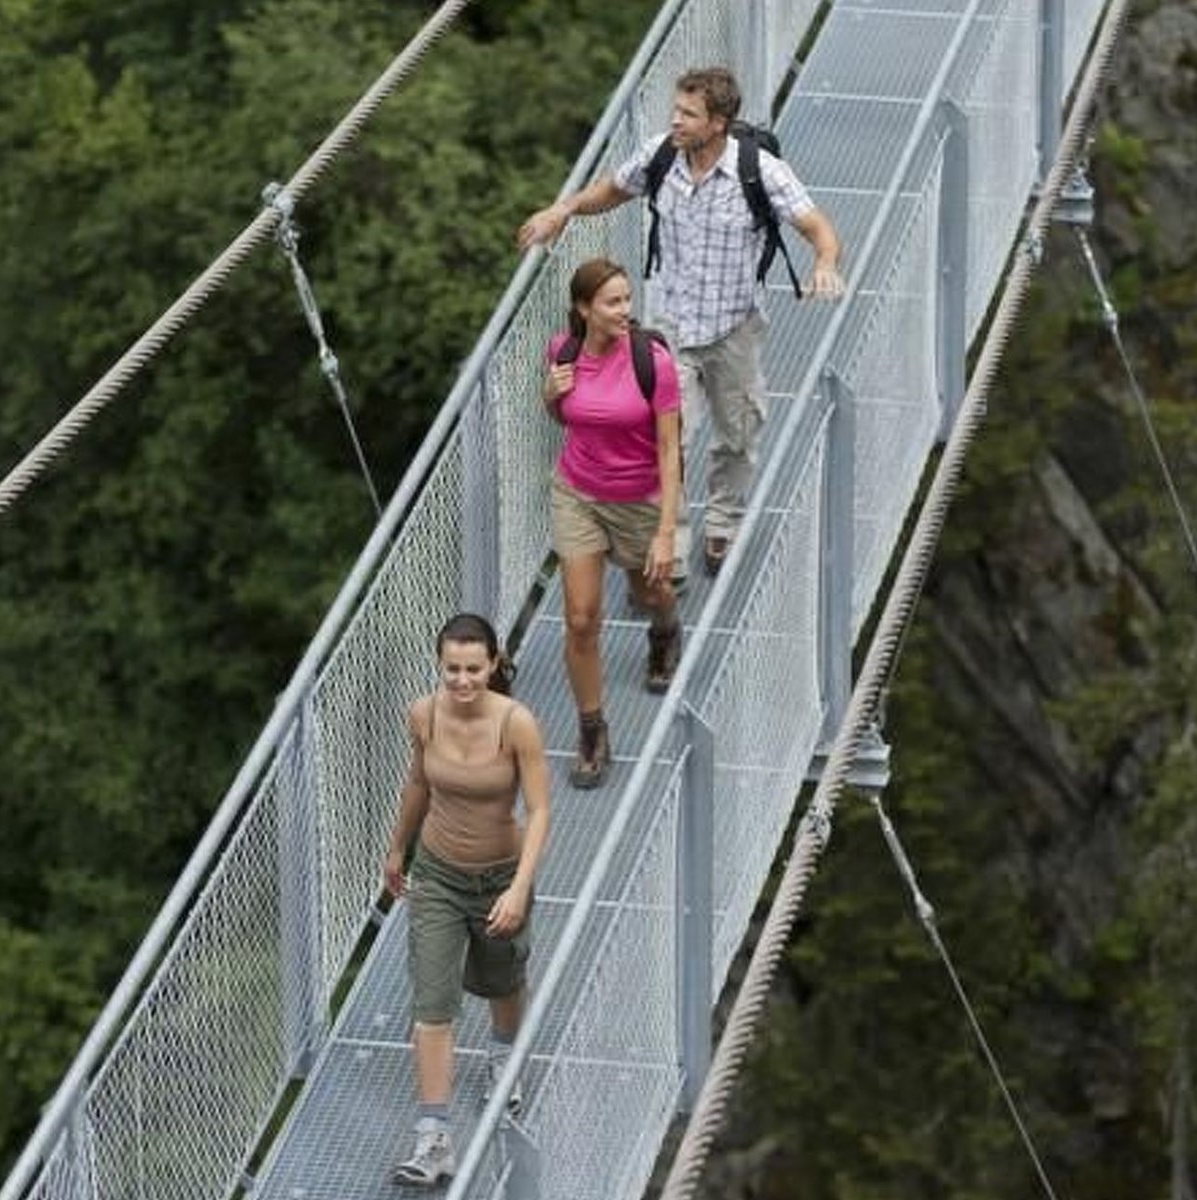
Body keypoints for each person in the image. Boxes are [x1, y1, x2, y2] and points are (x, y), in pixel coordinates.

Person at [518, 66, 846, 581]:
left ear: (718, 123)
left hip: (734, 327)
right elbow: (612, 190)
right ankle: (672, 543)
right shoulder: (661, 155)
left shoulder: (760, 171)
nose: (675, 121)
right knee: (668, 439)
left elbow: (817, 226)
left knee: (738, 433)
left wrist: (825, 265)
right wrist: (564, 210)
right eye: (676, 110)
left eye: (688, 115)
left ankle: (723, 521)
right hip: (670, 329)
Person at [383, 613, 552, 1187]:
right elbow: (418, 782)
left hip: (500, 876)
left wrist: (519, 887)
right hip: (437, 876)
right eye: (451, 668)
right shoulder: (423, 714)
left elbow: (540, 810)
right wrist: (397, 848)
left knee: (502, 979)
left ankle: (505, 1059)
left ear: (492, 664)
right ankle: (434, 1139)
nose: (461, 680)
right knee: (432, 1002)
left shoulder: (515, 724)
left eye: (473, 669)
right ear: (440, 664)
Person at [542, 257, 683, 790]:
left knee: (651, 590)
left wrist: (666, 533)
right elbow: (565, 417)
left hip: (639, 499)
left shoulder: (653, 362)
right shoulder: (562, 352)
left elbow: (669, 450)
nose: (625, 310)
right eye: (613, 302)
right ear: (584, 309)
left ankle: (665, 629)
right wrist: (549, 395)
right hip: (577, 493)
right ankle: (592, 730)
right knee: (581, 619)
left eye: (627, 299)